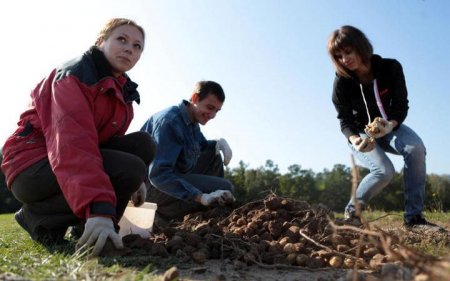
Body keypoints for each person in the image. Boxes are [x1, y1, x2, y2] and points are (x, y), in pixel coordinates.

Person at [0, 18, 155, 256]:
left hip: (65, 158)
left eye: (137, 46)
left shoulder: (122, 92)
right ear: (101, 41)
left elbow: (105, 147)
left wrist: (140, 180)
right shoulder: (74, 76)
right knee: (130, 168)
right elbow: (72, 146)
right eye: (121, 39)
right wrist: (100, 209)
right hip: (31, 165)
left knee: (143, 145)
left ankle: (85, 228)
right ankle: (39, 218)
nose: (129, 49)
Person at [327, 25, 442, 231]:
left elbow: (401, 105)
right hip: (361, 134)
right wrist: (355, 140)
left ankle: (414, 220)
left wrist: (390, 126)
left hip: (390, 126)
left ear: (360, 47)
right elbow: (344, 120)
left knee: (415, 148)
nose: (345, 59)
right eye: (339, 56)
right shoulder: (341, 83)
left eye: (348, 52)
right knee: (384, 170)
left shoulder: (391, 68)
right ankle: (353, 213)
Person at [141, 80, 235, 226]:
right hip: (149, 191)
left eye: (217, 110)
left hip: (171, 179)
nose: (212, 115)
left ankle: (210, 212)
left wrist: (218, 142)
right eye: (210, 108)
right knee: (226, 187)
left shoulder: (191, 122)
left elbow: (203, 146)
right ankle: (166, 217)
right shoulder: (170, 121)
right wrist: (199, 196)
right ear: (195, 98)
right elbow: (158, 175)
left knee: (214, 153)